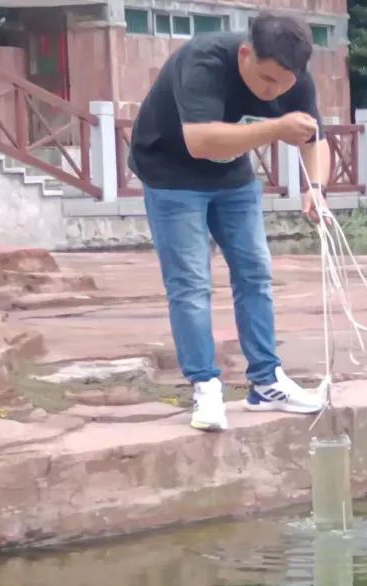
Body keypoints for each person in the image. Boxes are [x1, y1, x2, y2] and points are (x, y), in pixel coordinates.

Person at [130, 12, 331, 432]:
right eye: (266, 80)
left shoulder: (294, 78)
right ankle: (206, 386)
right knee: (191, 282)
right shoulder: (203, 61)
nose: (274, 91)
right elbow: (200, 141)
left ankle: (266, 382)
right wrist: (277, 127)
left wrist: (315, 186)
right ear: (244, 54)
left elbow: (314, 138)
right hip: (170, 172)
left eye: (284, 84)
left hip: (232, 175)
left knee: (255, 271)